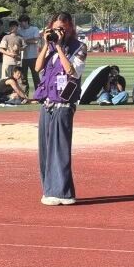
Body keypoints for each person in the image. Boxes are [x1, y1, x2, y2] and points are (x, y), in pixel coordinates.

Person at [34, 12, 86, 206]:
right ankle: (49, 189)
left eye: (62, 29)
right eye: (55, 29)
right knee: (45, 149)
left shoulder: (79, 47)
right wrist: (46, 45)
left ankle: (63, 192)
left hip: (64, 103)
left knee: (60, 149)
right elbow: (37, 67)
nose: (58, 32)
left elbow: (72, 71)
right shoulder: (49, 47)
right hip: (47, 103)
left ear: (70, 28)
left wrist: (59, 48)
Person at [18, 15, 41, 92]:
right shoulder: (19, 30)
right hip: (23, 58)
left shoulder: (34, 29)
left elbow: (36, 40)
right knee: (23, 77)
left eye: (21, 22)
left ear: (26, 22)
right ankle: (25, 94)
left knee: (35, 76)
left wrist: (24, 40)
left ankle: (38, 94)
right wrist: (28, 41)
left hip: (33, 57)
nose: (20, 24)